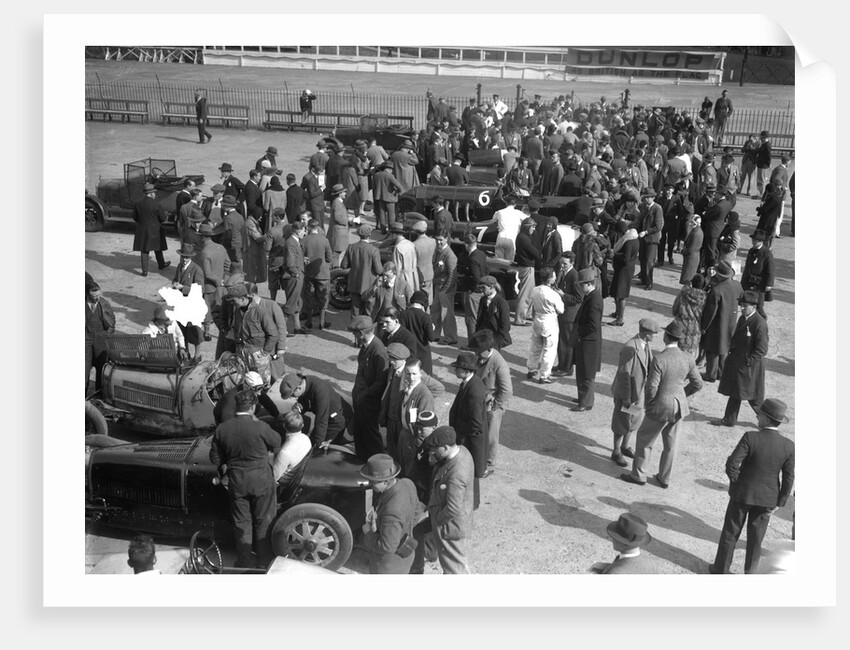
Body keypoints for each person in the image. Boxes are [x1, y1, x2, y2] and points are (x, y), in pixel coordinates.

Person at [709, 398, 795, 574]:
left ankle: (720, 570)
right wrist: (780, 502)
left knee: (730, 534)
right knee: (756, 540)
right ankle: (750, 574)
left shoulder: (750, 437)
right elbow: (788, 477)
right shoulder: (788, 446)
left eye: (760, 415)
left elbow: (732, 463)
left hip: (742, 494)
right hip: (767, 499)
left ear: (767, 419)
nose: (757, 417)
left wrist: (736, 481)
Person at [209, 389, 281, 568]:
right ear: (253, 407)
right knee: (264, 521)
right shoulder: (260, 426)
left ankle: (244, 562)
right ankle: (264, 562)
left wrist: (226, 463)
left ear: (236, 406)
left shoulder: (222, 429)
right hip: (261, 481)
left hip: (237, 481)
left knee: (242, 523)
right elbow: (277, 442)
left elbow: (215, 458)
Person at [416, 426, 475, 574]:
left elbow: (453, 508)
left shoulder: (456, 475)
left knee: (452, 566)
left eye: (435, 449)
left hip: (449, 526)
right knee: (456, 561)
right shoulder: (462, 451)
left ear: (446, 447)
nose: (432, 452)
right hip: (454, 521)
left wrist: (437, 519)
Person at [713, 291, 769, 428]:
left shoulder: (759, 323)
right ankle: (729, 419)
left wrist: (748, 362)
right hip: (739, 362)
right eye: (741, 305)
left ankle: (768, 422)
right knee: (737, 391)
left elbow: (762, 349)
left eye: (745, 306)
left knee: (753, 397)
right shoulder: (743, 318)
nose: (742, 308)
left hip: (750, 366)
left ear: (754, 306)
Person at [359, 453, 421, 574]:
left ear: (386, 481)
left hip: (388, 567)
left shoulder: (392, 511)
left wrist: (369, 532)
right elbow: (416, 513)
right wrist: (399, 530)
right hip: (405, 556)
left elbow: (387, 547)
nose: (369, 483)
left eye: (373, 481)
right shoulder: (407, 483)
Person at [610, 318, 658, 468]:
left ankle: (625, 446)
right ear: (646, 333)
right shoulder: (629, 348)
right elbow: (624, 374)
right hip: (627, 394)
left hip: (638, 392)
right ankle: (616, 451)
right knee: (621, 422)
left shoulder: (645, 345)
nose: (655, 336)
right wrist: (626, 398)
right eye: (654, 333)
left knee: (632, 421)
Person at [468, 329, 512, 477]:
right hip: (480, 401)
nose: (476, 354)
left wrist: (494, 406)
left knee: (491, 437)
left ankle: (489, 465)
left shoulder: (499, 363)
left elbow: (507, 390)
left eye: (478, 351)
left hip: (491, 406)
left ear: (488, 349)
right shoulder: (482, 357)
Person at [449, 352, 488, 507]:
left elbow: (476, 424)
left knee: (469, 471)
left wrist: (459, 430)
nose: (455, 370)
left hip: (470, 441)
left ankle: (472, 504)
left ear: (466, 371)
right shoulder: (469, 383)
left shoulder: (474, 390)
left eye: (457, 368)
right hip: (467, 438)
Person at [349, 316, 389, 460]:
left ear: (361, 333)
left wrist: (365, 395)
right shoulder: (366, 346)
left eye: (355, 333)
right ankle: (361, 461)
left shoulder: (377, 350)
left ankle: (378, 464)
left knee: (371, 436)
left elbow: (381, 381)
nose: (354, 336)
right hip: (361, 399)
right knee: (360, 433)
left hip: (369, 401)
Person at [279, 372, 350, 449]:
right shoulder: (304, 383)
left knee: (319, 446)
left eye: (292, 395)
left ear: (298, 388)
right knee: (312, 442)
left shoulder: (320, 392)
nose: (292, 398)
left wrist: (317, 446)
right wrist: (297, 410)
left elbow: (322, 420)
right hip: (325, 416)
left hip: (336, 420)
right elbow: (304, 401)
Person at [700, 260, 743, 382]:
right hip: (731, 322)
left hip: (717, 324)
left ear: (719, 275)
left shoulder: (717, 290)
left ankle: (711, 374)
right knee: (725, 347)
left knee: (712, 349)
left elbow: (710, 312)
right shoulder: (737, 285)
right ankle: (721, 373)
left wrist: (704, 327)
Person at [570, 268, 603, 411]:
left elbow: (593, 325)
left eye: (581, 284)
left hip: (588, 342)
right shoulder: (591, 296)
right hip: (586, 342)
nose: (579, 287)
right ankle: (583, 398)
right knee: (582, 371)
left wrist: (579, 332)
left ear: (589, 284)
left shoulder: (594, 300)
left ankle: (586, 402)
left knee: (587, 374)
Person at [526, 266, 564, 384]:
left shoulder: (535, 290)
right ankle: (544, 375)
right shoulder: (553, 294)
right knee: (549, 349)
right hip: (549, 320)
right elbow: (561, 310)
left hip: (537, 319)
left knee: (535, 346)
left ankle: (531, 369)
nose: (555, 278)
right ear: (550, 279)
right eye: (554, 276)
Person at [592, 513, 665, 574]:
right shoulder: (652, 564)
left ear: (624, 543)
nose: (612, 539)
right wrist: (606, 567)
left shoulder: (615, 573)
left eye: (615, 537)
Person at [195, 221, 229, 343]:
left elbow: (208, 274)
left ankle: (207, 332)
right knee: (221, 308)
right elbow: (228, 264)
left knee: (207, 309)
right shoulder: (221, 248)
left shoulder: (204, 252)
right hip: (221, 286)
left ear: (203, 237)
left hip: (209, 286)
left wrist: (217, 280)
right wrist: (223, 279)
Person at [341, 224, 383, 317]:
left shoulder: (351, 247)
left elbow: (344, 265)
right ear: (369, 235)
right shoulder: (373, 250)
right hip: (369, 285)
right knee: (369, 310)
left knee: (355, 310)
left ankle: (355, 325)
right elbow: (379, 270)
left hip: (354, 283)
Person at [132, 182, 170, 276]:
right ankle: (161, 264)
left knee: (144, 250)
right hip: (155, 230)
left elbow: (134, 217)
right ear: (152, 193)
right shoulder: (156, 204)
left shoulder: (137, 204)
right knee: (158, 248)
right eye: (154, 193)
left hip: (142, 230)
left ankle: (144, 271)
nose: (155, 195)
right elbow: (162, 218)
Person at [301, 219, 332, 331]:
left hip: (309, 272)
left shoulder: (304, 240)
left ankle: (309, 321)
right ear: (317, 227)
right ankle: (322, 322)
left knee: (309, 296)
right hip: (322, 273)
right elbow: (329, 258)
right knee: (323, 297)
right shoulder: (324, 240)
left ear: (308, 227)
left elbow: (301, 256)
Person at [85, 282, 115, 396]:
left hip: (101, 338)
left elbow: (112, 319)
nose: (97, 298)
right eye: (94, 296)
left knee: (102, 367)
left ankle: (99, 394)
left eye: (99, 295)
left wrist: (108, 334)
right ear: (87, 295)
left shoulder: (104, 303)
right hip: (85, 339)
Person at [608, 221, 640, 326]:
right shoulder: (633, 237)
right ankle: (617, 312)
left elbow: (626, 258)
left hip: (624, 270)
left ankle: (620, 319)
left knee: (621, 294)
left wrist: (614, 255)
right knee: (616, 292)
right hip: (625, 269)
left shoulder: (628, 241)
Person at [431, 231, 458, 345]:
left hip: (445, 289)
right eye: (437, 239)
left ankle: (451, 337)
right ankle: (435, 334)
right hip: (438, 286)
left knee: (447, 314)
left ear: (446, 239)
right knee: (435, 311)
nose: (438, 242)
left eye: (441, 240)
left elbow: (452, 275)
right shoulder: (437, 251)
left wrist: (445, 290)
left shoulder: (449, 255)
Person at [740, 229, 774, 319]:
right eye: (753, 240)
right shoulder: (751, 251)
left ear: (761, 241)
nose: (753, 242)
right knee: (747, 302)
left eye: (755, 240)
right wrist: (743, 281)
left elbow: (770, 269)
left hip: (759, 284)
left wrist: (769, 284)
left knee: (758, 305)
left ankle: (762, 321)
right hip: (749, 282)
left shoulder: (767, 253)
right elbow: (747, 267)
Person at [672, 274, 708, 357]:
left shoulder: (683, 294)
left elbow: (674, 310)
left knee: (677, 355)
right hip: (695, 331)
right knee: (690, 357)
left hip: (680, 328)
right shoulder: (705, 298)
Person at [271, 411, 312, 483]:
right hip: (299, 475)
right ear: (302, 425)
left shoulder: (285, 453)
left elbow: (274, 477)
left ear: (284, 426)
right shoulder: (306, 439)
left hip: (284, 482)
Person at [513, 218, 540, 326]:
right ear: (527, 227)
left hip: (526, 267)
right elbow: (535, 253)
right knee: (524, 294)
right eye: (532, 227)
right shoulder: (524, 238)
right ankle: (520, 319)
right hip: (526, 267)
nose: (533, 229)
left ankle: (527, 314)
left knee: (529, 293)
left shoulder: (522, 236)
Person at [461, 233, 487, 344]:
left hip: (474, 292)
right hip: (481, 291)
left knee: (471, 319)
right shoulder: (481, 254)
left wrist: (472, 289)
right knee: (479, 317)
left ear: (466, 245)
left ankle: (472, 343)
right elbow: (485, 270)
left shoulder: (472, 258)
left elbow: (476, 277)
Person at [474, 275, 512, 351]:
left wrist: (497, 340)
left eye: (483, 288)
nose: (481, 290)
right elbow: (480, 318)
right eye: (480, 288)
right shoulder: (483, 299)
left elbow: (505, 325)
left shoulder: (501, 303)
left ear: (491, 287)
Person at [282, 220, 306, 335]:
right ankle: (282, 329)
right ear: (298, 231)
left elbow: (295, 256)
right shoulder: (291, 243)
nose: (304, 233)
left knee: (297, 302)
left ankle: (297, 327)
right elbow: (290, 261)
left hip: (297, 274)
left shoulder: (295, 241)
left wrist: (303, 260)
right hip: (294, 276)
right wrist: (296, 273)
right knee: (291, 303)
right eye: (303, 231)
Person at [409, 220, 436, 306]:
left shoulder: (414, 245)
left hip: (419, 276)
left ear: (416, 232)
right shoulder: (433, 242)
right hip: (430, 274)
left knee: (419, 300)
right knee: (428, 299)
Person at [372, 162, 403, 233]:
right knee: (391, 214)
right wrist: (399, 192)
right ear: (389, 169)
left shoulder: (376, 175)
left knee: (382, 212)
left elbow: (374, 186)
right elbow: (399, 186)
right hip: (390, 198)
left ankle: (383, 229)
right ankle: (391, 228)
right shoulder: (390, 176)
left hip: (380, 197)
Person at [326, 184, 350, 268]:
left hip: (339, 233)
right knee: (335, 254)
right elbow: (338, 218)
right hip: (338, 233)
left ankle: (334, 268)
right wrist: (349, 219)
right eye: (344, 192)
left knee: (336, 254)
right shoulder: (337, 203)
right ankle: (330, 269)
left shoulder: (338, 202)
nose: (345, 193)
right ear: (339, 194)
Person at [220, 195, 245, 268]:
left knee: (230, 264)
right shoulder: (240, 216)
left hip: (231, 244)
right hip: (239, 242)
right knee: (238, 262)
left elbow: (227, 234)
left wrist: (223, 244)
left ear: (226, 206)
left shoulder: (228, 218)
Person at [679, 214, 703, 285]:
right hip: (692, 257)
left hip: (691, 258)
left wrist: (682, 250)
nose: (690, 224)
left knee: (688, 278)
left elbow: (690, 249)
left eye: (692, 222)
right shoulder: (696, 231)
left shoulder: (696, 234)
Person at [301, 163, 326, 229]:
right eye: (323, 173)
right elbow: (312, 194)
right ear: (319, 172)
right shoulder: (311, 180)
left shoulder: (321, 179)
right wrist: (321, 189)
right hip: (315, 205)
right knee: (318, 223)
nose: (324, 174)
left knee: (322, 222)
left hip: (321, 204)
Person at [754, 130, 772, 199]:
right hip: (761, 164)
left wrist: (768, 164)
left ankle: (761, 194)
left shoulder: (767, 145)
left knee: (761, 180)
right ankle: (759, 193)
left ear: (766, 138)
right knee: (760, 179)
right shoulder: (764, 144)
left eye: (762, 138)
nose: (761, 139)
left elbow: (768, 156)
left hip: (763, 165)